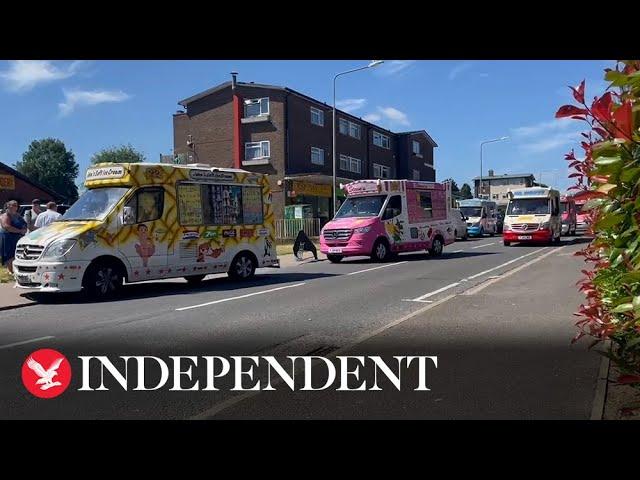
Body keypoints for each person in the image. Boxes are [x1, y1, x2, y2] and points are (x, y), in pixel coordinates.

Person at [0, 200, 28, 273]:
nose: (16, 207)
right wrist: (20, 231)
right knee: (10, 254)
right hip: (8, 237)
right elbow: (6, 226)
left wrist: (24, 229)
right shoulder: (5, 215)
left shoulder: (17, 215)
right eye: (14, 205)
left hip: (18, 237)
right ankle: (11, 271)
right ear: (8, 206)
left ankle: (16, 270)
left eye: (16, 205)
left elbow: (24, 223)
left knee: (17, 254)